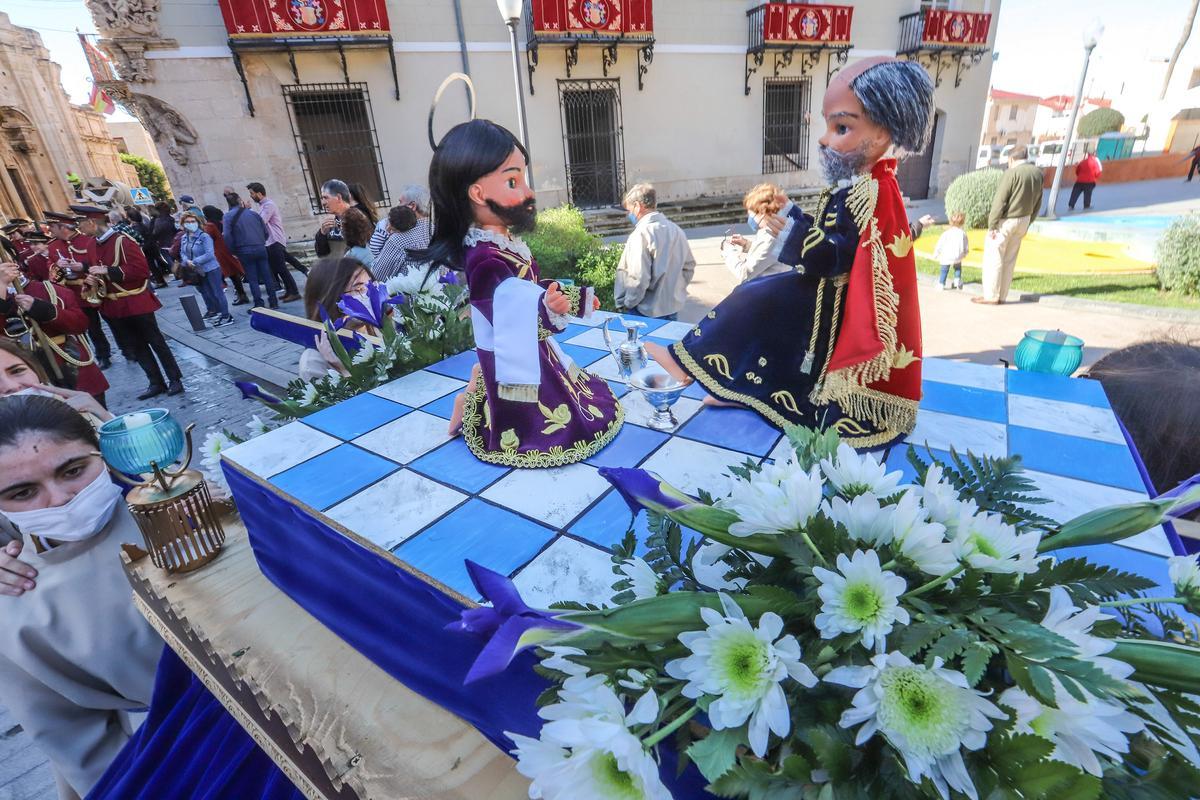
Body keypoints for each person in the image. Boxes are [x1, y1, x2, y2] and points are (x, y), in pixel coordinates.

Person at [645, 57, 934, 451]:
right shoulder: (860, 185)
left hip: (833, 302)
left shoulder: (872, 190)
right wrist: (797, 220)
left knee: (755, 301)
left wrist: (796, 234)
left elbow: (840, 256)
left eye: (842, 128)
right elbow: (834, 238)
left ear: (882, 132)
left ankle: (686, 364)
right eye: (828, 126)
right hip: (822, 291)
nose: (824, 139)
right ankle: (736, 387)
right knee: (759, 307)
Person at [418, 119, 621, 464]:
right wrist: (548, 307)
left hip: (524, 343)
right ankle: (473, 400)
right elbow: (509, 306)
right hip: (513, 346)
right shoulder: (484, 257)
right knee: (546, 416)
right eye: (513, 181)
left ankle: (472, 391)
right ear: (477, 194)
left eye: (524, 179)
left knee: (562, 388)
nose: (528, 192)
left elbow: (526, 288)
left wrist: (572, 300)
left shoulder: (502, 242)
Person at [0, 395, 162, 799]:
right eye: (23, 492)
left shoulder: (179, 501)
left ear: (101, 452)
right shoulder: (15, 602)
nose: (60, 498)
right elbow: (78, 743)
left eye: (73, 471)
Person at [85, 208, 184, 398]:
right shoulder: (91, 245)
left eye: (81, 224)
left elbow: (141, 270)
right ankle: (155, 382)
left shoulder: (123, 241)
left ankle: (174, 379)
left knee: (156, 342)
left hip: (135, 300)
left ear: (92, 223)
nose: (79, 228)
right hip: (114, 306)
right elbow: (94, 270)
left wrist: (109, 271)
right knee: (136, 346)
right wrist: (92, 280)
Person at [0, 261, 109, 403]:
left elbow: (80, 325)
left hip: (71, 366)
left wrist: (44, 310)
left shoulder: (49, 289)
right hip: (23, 382)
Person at [614, 183, 695, 320]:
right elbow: (689, 267)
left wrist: (627, 303)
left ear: (637, 206)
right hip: (672, 308)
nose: (629, 215)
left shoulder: (641, 234)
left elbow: (638, 279)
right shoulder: (676, 230)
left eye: (629, 210)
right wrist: (675, 291)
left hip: (644, 311)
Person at [45, 211, 113, 370]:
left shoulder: (88, 240)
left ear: (63, 228)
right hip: (75, 294)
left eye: (52, 227)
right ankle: (102, 355)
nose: (50, 231)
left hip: (96, 287)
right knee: (91, 327)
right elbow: (52, 274)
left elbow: (100, 262)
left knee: (113, 320)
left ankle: (128, 349)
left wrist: (82, 267)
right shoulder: (53, 246)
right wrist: (57, 267)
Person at [976, 146, 1043, 305]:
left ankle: (991, 295)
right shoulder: (1037, 173)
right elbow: (1038, 200)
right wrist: (1030, 220)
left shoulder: (1011, 173)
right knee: (1010, 260)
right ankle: (1002, 296)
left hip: (1006, 221)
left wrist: (992, 225)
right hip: (1024, 219)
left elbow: (1000, 200)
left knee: (994, 257)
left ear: (1011, 159)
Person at [299, 256, 375, 381]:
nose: (371, 295)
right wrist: (343, 371)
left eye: (371, 285)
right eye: (359, 288)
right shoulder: (313, 362)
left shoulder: (377, 331)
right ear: (332, 298)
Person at [0, 339, 111, 422]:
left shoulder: (75, 411)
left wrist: (106, 420)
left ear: (35, 370)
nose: (11, 386)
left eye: (17, 370)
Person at [721, 183, 791, 284]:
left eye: (751, 213)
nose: (750, 217)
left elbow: (745, 274)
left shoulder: (771, 237)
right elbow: (768, 256)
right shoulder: (777, 228)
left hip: (767, 289)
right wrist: (746, 244)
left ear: (762, 213)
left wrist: (729, 252)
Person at [246, 181, 301, 302]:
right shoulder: (262, 206)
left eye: (252, 193)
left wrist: (248, 211)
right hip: (270, 242)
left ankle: (295, 292)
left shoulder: (268, 205)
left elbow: (261, 221)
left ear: (259, 193)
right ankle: (289, 291)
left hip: (275, 240)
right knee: (278, 268)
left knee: (282, 268)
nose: (251, 196)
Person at [222, 192, 279, 310]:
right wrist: (261, 241)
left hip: (243, 250)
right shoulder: (253, 214)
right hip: (260, 247)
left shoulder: (228, 216)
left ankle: (259, 303)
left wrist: (233, 250)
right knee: (267, 275)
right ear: (239, 200)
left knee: (252, 278)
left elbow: (227, 235)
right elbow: (265, 231)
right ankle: (273, 301)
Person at [179, 211, 233, 326]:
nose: (190, 224)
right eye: (187, 222)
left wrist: (194, 261)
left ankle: (226, 316)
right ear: (183, 224)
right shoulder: (184, 238)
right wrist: (186, 261)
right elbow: (182, 252)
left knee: (217, 292)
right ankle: (217, 312)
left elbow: (210, 254)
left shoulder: (204, 236)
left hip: (211, 268)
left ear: (197, 222)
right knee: (206, 292)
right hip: (197, 270)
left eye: (193, 221)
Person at [369, 184, 432, 262]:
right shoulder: (436, 230)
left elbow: (379, 267)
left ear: (412, 206)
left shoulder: (397, 239)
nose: (397, 205)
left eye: (400, 202)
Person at [202, 205, 250, 305]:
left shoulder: (210, 226)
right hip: (228, 249)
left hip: (220, 252)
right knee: (234, 274)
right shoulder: (222, 221)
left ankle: (242, 295)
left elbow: (206, 238)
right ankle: (241, 294)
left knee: (233, 275)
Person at [371, 204, 428, 281]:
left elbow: (378, 275)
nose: (387, 229)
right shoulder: (427, 227)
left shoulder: (397, 241)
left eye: (393, 230)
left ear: (402, 231)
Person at [314, 179, 352, 259]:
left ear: (338, 197)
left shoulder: (359, 219)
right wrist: (322, 234)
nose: (323, 203)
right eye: (322, 198)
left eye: (326, 198)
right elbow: (322, 254)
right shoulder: (330, 223)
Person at [933, 211, 970, 290]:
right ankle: (957, 280)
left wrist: (936, 253)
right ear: (962, 222)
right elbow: (966, 245)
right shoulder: (963, 233)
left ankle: (941, 283)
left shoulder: (946, 233)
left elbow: (940, 244)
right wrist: (965, 252)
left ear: (950, 222)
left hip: (947, 255)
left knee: (944, 269)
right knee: (957, 267)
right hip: (958, 255)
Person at [148, 202, 176, 288]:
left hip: (163, 243)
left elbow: (155, 232)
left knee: (169, 260)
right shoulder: (171, 218)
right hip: (173, 241)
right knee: (175, 259)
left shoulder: (158, 221)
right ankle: (179, 273)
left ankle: (178, 274)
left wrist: (154, 238)